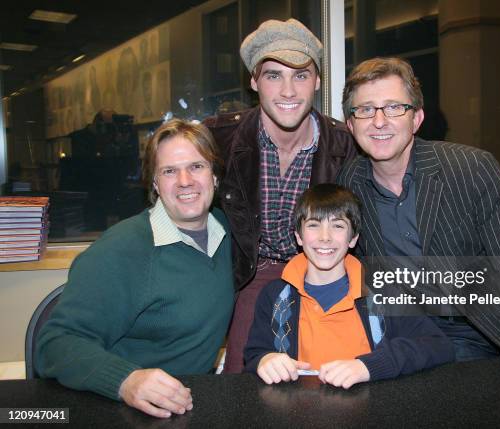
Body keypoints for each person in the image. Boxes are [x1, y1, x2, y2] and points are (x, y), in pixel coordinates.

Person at [336, 57, 500, 388]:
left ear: (417, 119)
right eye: (365, 110)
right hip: (427, 336)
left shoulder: (469, 167)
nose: (379, 121)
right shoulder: (350, 182)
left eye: (394, 107)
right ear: (351, 124)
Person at [35, 119, 234, 418]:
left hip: (193, 402)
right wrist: (125, 380)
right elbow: (54, 345)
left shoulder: (228, 231)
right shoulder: (122, 249)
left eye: (196, 166)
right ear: (154, 183)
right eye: (169, 171)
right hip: (124, 409)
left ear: (215, 176)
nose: (184, 180)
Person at [204, 18, 357, 373]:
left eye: (300, 75)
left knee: (332, 383)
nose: (288, 91)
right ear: (254, 81)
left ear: (318, 81)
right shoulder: (219, 140)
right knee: (245, 382)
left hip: (325, 270)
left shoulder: (346, 146)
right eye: (274, 75)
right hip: (250, 274)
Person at [244, 184, 454, 387]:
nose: (325, 237)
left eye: (337, 226)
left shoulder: (384, 291)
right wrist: (266, 360)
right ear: (299, 236)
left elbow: (438, 345)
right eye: (314, 225)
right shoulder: (274, 296)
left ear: (353, 238)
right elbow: (255, 354)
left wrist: (369, 366)